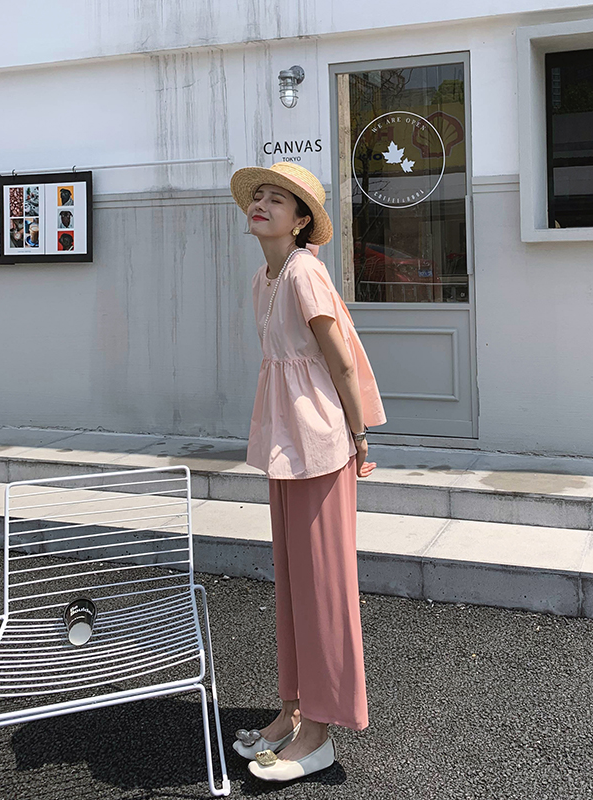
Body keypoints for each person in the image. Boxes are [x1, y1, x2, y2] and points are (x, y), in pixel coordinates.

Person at [228, 162, 386, 782]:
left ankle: (320, 733)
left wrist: (359, 436)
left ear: (300, 222)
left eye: (277, 199)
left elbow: (340, 361)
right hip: (286, 444)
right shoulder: (264, 277)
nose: (262, 204)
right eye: (259, 196)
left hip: (319, 443)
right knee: (294, 583)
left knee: (323, 589)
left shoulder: (304, 272)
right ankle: (293, 710)